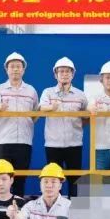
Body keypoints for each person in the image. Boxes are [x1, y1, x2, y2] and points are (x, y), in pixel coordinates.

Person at [0, 52, 38, 197]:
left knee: (20, 179)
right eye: (12, 66)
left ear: (23, 69)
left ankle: (18, 207)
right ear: (6, 69)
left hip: (24, 141)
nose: (15, 69)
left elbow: (35, 114)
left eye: (18, 66)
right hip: (3, 141)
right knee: (0, 178)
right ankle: (1, 207)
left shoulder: (31, 91)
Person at [40, 57, 88, 196]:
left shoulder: (80, 95)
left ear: (73, 74)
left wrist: (78, 127)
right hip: (53, 144)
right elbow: (41, 108)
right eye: (61, 71)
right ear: (55, 75)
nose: (64, 74)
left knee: (75, 180)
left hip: (74, 144)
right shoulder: (48, 92)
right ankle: (56, 207)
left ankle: (75, 207)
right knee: (54, 180)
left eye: (68, 71)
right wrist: (52, 107)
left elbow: (87, 116)